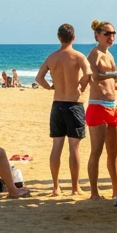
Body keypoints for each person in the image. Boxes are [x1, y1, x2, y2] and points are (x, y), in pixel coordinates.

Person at [35, 24, 90, 196]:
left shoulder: (52, 57)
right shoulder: (78, 56)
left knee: (56, 146)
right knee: (74, 148)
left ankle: (56, 187)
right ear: (74, 37)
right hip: (74, 104)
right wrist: (82, 84)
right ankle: (75, 187)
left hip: (57, 104)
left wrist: (50, 87)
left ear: (59, 37)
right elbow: (88, 73)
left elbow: (39, 78)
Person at [86, 20, 117, 200]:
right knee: (96, 151)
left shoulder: (110, 56)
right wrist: (114, 75)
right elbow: (95, 76)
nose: (111, 37)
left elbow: (114, 81)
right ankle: (94, 192)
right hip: (97, 105)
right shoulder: (94, 54)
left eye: (113, 33)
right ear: (97, 35)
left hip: (112, 106)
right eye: (107, 33)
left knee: (114, 151)